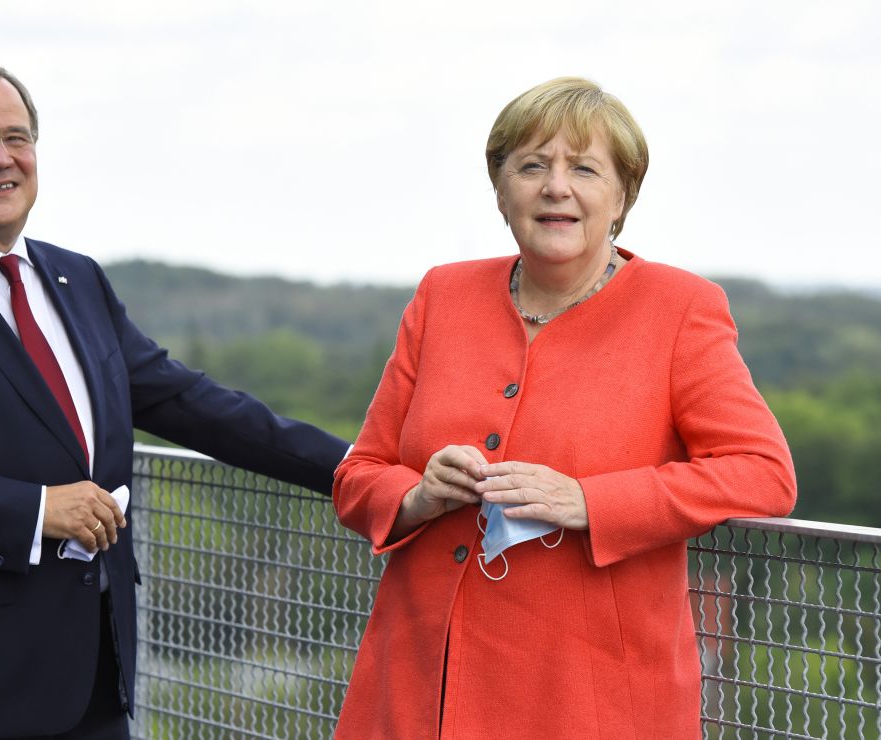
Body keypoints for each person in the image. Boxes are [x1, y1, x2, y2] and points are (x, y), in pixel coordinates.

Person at [0, 61, 349, 740]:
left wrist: (356, 467)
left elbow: (192, 402)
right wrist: (37, 509)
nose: (0, 158)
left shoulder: (77, 279)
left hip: (92, 675)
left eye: (16, 136)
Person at [332, 77, 796, 739]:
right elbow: (358, 475)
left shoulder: (680, 309)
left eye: (584, 168)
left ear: (622, 196)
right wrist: (416, 496)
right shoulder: (443, 295)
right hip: (415, 689)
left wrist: (592, 501)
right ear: (500, 188)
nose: (556, 187)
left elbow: (763, 473)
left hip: (587, 701)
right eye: (531, 166)